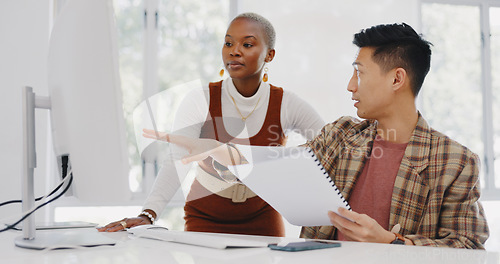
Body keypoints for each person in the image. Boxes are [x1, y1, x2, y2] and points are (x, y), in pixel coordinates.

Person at [148, 23, 489, 249]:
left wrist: (392, 242)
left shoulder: (455, 161)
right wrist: (219, 152)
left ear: (397, 79)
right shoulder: (341, 134)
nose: (350, 85)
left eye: (359, 73)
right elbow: (282, 170)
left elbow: (469, 248)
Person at [98, 12, 324, 237]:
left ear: (270, 55)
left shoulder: (286, 103)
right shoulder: (200, 100)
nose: (234, 51)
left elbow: (330, 146)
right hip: (205, 218)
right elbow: (177, 160)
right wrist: (148, 214)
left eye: (247, 44)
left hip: (262, 218)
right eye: (228, 43)